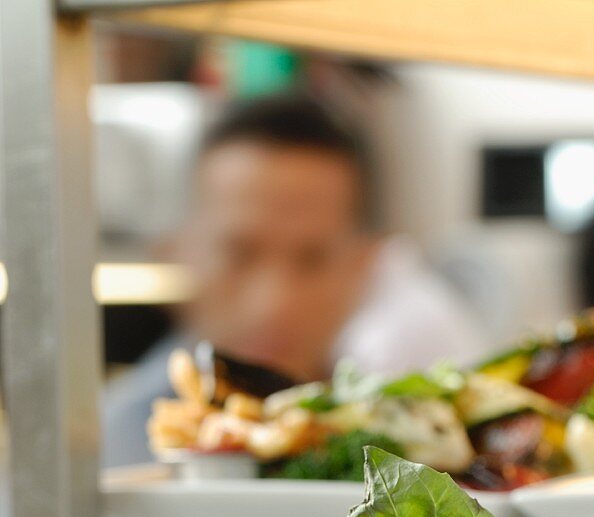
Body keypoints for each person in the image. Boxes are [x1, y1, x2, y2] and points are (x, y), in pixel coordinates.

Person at [104, 93, 487, 466]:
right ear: (175, 251)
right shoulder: (110, 456)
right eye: (239, 254)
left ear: (364, 266)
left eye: (313, 259)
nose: (274, 302)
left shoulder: (402, 446)